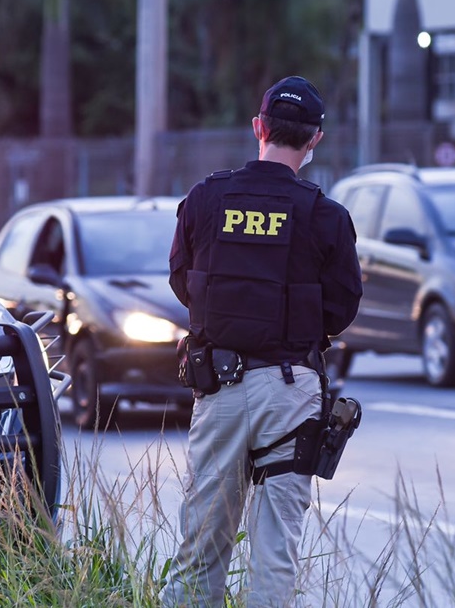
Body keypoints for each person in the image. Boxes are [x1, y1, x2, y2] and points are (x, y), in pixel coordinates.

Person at [164, 76, 363, 607]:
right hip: (291, 394)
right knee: (275, 554)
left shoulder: (205, 199)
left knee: (201, 547)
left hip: (221, 389)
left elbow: (183, 281)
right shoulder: (327, 217)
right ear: (314, 139)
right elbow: (342, 308)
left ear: (260, 127)